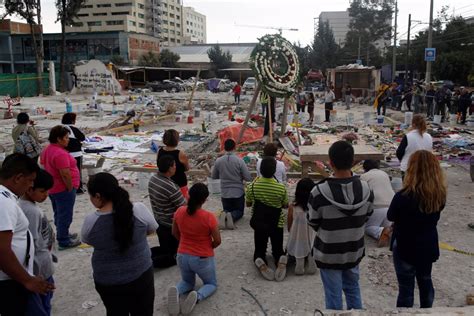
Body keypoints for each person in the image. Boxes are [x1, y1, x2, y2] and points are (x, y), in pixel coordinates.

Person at [307, 141, 374, 310]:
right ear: (352, 161)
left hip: (329, 253)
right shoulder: (366, 189)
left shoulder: (319, 192)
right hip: (354, 250)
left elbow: (312, 221)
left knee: (333, 295)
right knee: (353, 289)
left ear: (331, 162)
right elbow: (368, 215)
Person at [82, 173, 158, 316]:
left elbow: (88, 240)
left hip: (108, 281)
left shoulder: (91, 221)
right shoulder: (138, 210)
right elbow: (152, 229)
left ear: (98, 196)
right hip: (141, 274)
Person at [387, 150, 447, 308]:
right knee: (426, 281)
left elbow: (391, 216)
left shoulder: (403, 196)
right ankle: (427, 311)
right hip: (427, 244)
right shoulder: (439, 194)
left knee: (406, 288)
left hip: (405, 245)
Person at [0, 153, 55, 315]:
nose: (30, 185)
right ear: (18, 178)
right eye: (30, 180)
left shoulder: (7, 198)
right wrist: (27, 280)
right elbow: (2, 250)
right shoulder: (4, 203)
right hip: (11, 281)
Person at [167, 183, 221, 316]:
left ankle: (178, 291)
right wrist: (209, 246)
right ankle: (197, 296)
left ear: (188, 195)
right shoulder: (209, 217)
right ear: (204, 200)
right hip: (202, 257)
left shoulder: (179, 211)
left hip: (182, 255)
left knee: (187, 281)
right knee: (211, 284)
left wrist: (185, 243)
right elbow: (218, 240)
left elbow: (174, 232)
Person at [19, 169, 56, 316]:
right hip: (39, 267)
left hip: (42, 261)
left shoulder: (28, 206)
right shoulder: (30, 211)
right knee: (43, 302)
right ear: (29, 189)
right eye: (42, 191)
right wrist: (35, 274)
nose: (46, 195)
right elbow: (31, 243)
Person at [246, 157, 289, 282]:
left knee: (259, 247)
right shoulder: (281, 188)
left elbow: (248, 204)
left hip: (259, 222)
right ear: (274, 170)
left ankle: (260, 259)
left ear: (260, 170)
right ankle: (279, 258)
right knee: (277, 247)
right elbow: (285, 205)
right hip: (276, 222)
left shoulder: (252, 186)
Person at [40, 125, 81, 250]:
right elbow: (65, 173)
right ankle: (63, 240)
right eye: (66, 138)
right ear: (59, 139)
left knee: (59, 212)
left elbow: (43, 165)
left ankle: (63, 233)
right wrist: (70, 187)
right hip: (63, 188)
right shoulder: (59, 153)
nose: (68, 140)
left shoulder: (48, 149)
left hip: (54, 188)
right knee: (65, 214)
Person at [148, 155, 186, 268]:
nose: (176, 167)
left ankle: (146, 256)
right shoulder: (171, 187)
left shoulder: (153, 179)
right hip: (170, 225)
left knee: (165, 248)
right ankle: (146, 263)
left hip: (159, 221)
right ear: (169, 168)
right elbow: (183, 207)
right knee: (175, 256)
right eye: (174, 165)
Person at [212, 139, 252, 229]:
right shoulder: (239, 161)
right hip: (238, 193)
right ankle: (232, 216)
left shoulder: (218, 161)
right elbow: (248, 178)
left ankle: (225, 214)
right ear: (235, 147)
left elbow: (214, 176)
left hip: (225, 193)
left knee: (227, 209)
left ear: (224, 147)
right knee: (239, 211)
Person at [360, 160, 394, 247]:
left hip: (377, 206)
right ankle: (391, 231)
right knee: (386, 225)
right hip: (392, 207)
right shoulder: (384, 174)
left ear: (365, 168)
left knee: (369, 227)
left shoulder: (364, 176)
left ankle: (380, 232)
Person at [286, 178, 317, 275]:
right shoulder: (315, 207)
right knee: (311, 245)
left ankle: (299, 265)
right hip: (312, 235)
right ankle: (312, 262)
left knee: (298, 247)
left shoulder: (293, 207)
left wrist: (291, 230)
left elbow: (289, 225)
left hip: (297, 236)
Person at [157, 129, 190, 199]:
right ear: (177, 140)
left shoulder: (160, 151)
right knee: (182, 206)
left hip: (164, 183)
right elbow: (187, 168)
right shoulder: (180, 154)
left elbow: (158, 166)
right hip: (179, 184)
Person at [61, 113, 86, 194]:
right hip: (76, 154)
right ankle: (78, 188)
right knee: (77, 171)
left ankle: (68, 187)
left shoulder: (60, 129)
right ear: (72, 120)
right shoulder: (73, 129)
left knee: (66, 171)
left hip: (64, 154)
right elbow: (82, 137)